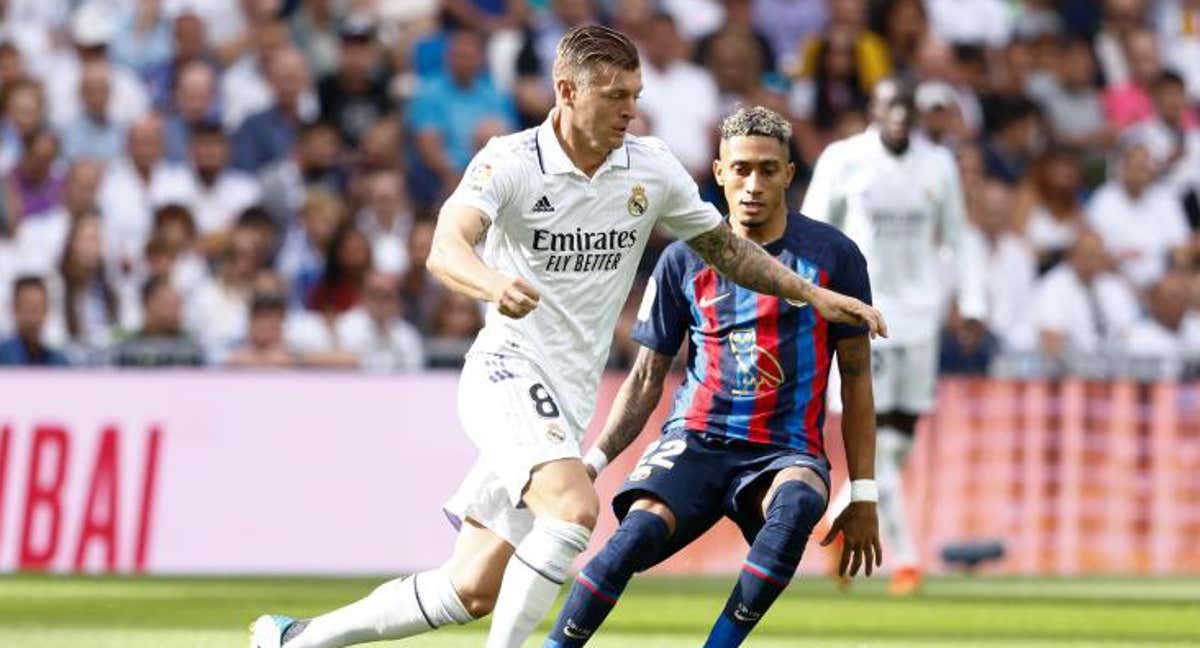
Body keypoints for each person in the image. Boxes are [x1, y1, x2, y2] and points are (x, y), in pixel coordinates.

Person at [250, 24, 884, 648]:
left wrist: (811, 293)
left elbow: (726, 250)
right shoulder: (510, 161)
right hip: (507, 370)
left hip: (567, 397)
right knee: (574, 512)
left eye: (634, 94)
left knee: (469, 588)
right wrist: (492, 284)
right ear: (567, 91)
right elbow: (446, 247)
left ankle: (296, 639)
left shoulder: (650, 167)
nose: (631, 110)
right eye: (615, 96)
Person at [544, 105, 880, 647]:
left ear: (789, 176)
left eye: (769, 170)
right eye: (741, 169)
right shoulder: (682, 260)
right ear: (719, 172)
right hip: (696, 440)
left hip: (784, 450)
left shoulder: (834, 258)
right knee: (633, 538)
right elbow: (646, 377)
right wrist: (594, 461)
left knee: (798, 502)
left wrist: (862, 491)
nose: (753, 184)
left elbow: (858, 378)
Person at [803, 77, 984, 595]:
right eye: (891, 107)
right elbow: (815, 229)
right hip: (862, 317)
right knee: (875, 440)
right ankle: (906, 559)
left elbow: (958, 236)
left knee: (898, 444)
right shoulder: (844, 159)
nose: (901, 117)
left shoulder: (938, 165)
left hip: (920, 318)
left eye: (908, 108)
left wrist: (971, 303)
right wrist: (812, 298)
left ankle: (840, 513)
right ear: (874, 110)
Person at [0, 275, 68, 366]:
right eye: (27, 308)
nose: (33, 316)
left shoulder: (58, 361)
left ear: (46, 310)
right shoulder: (3, 357)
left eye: (37, 308)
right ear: (14, 308)